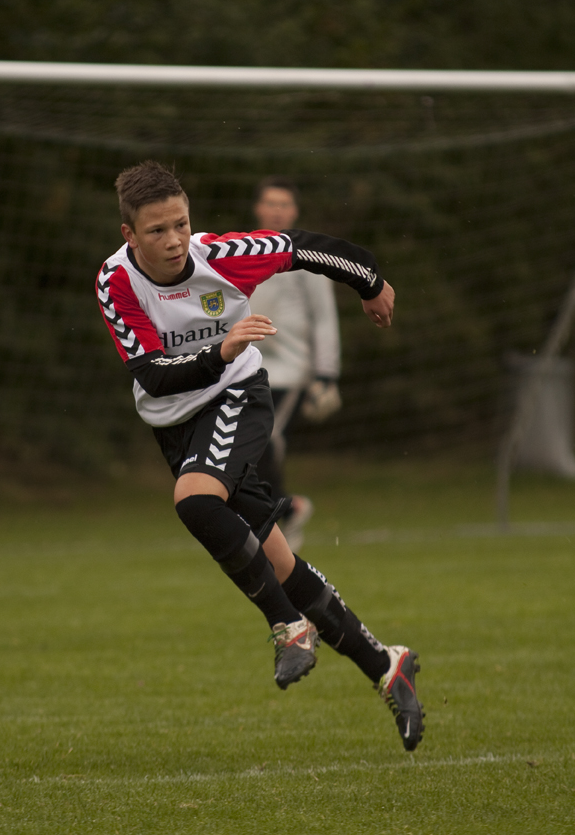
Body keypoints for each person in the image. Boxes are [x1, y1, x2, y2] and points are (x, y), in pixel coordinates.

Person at [96, 160, 424, 751]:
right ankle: (385, 664)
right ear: (129, 234)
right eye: (156, 231)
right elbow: (153, 374)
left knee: (195, 501)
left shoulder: (222, 256)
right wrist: (219, 349)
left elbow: (308, 248)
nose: (173, 241)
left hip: (237, 397)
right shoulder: (115, 281)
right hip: (176, 424)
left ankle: (287, 627)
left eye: (180, 224)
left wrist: (371, 284)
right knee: (280, 564)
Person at [250, 177, 342, 552]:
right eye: (270, 203)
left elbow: (324, 317)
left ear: (295, 211)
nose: (277, 211)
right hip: (250, 363)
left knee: (262, 436)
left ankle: (284, 511)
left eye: (284, 204)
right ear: (258, 208)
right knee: (251, 440)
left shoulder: (306, 255)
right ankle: (283, 512)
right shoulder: (244, 250)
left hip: (289, 368)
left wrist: (326, 374)